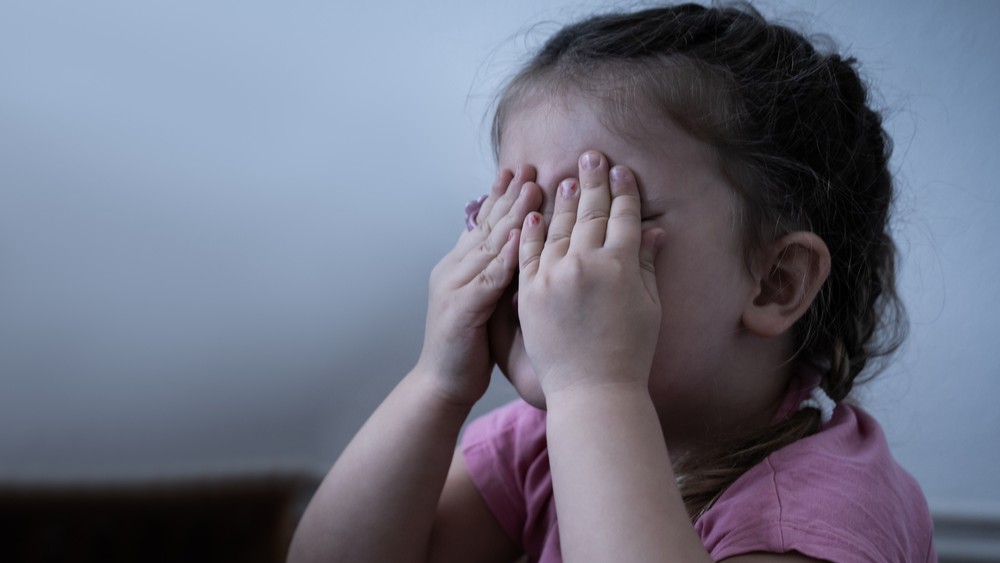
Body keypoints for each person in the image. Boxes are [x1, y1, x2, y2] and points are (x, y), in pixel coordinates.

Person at [288, 3, 936, 562]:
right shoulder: (535, 442)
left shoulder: (827, 510)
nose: (535, 261)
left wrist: (595, 387)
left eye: (595, 223)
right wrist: (436, 382)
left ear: (775, 281)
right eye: (514, 217)